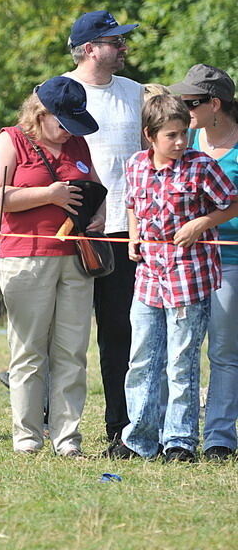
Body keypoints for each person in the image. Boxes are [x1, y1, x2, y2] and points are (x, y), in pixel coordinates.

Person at [0, 77, 104, 457]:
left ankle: (68, 440)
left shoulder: (78, 142)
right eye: (63, 122)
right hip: (25, 258)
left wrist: (98, 214)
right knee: (29, 350)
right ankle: (28, 438)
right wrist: (48, 195)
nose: (69, 132)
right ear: (41, 114)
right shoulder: (11, 140)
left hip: (76, 260)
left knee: (72, 351)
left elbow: (96, 188)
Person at [112, 95, 238, 462]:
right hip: (149, 279)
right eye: (172, 135)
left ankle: (180, 441)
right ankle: (140, 439)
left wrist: (202, 223)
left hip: (189, 278)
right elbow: (133, 204)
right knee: (142, 361)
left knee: (181, 363)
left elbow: (232, 201)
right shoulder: (135, 165)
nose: (182, 142)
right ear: (150, 136)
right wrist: (134, 236)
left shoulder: (201, 167)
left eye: (184, 133)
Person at [63, 10, 144, 450]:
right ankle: (53, 425)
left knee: (120, 335)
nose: (124, 47)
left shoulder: (136, 93)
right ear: (90, 48)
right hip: (72, 232)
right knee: (66, 335)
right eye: (116, 41)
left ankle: (122, 429)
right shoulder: (57, 92)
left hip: (124, 232)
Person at [170, 65, 238, 461]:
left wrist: (205, 222)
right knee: (181, 352)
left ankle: (220, 439)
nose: (183, 110)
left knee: (225, 353)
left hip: (230, 260)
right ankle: (179, 436)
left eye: (190, 103)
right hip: (187, 263)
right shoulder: (186, 140)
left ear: (215, 104)